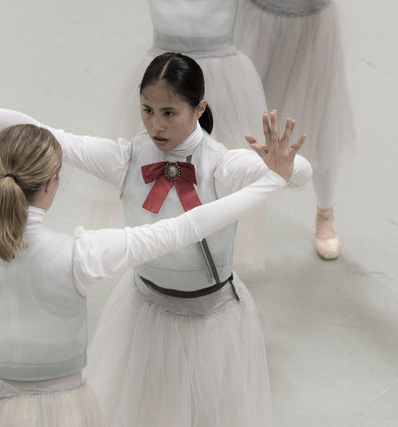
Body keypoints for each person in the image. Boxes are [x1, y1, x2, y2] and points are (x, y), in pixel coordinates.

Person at [0, 56, 304, 426]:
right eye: (147, 110)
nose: (156, 125)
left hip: (211, 317)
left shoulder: (224, 165)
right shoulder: (126, 158)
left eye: (170, 113)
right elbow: (48, 135)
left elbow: (299, 172)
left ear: (199, 109)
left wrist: (284, 166)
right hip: (145, 311)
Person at [100, 0, 271, 269]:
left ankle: (216, 252)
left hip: (222, 74)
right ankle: (162, 253)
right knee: (148, 161)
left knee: (219, 171)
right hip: (164, 74)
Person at [234, 0, 356, 260]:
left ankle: (326, 214)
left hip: (311, 22)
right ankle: (226, 215)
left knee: (319, 119)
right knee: (241, 113)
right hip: (256, 17)